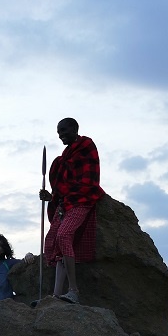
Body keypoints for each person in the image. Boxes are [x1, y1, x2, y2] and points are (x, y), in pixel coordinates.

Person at [39, 118, 105, 304]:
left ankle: (73, 290)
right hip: (66, 204)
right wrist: (50, 197)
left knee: (64, 235)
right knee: (54, 240)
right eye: (58, 132)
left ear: (75, 129)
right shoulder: (64, 158)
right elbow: (62, 190)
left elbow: (88, 182)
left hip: (82, 201)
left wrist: (67, 196)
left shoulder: (86, 147)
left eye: (63, 131)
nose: (60, 135)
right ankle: (56, 295)